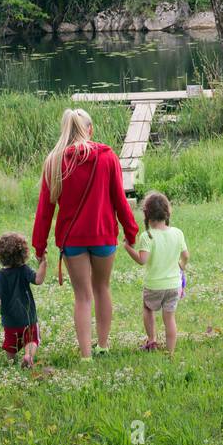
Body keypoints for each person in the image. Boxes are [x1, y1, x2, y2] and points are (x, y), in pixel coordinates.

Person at [32, 107, 139, 361]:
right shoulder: (107, 157)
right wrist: (131, 232)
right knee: (102, 287)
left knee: (82, 296)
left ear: (66, 130)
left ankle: (86, 356)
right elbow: (120, 200)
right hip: (103, 236)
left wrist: (39, 247)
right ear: (90, 129)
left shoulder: (54, 162)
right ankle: (103, 345)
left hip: (73, 240)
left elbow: (44, 211)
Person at [125, 191, 188, 355]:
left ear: (147, 214)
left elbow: (142, 260)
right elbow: (186, 256)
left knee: (147, 308)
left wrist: (128, 248)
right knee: (170, 319)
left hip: (154, 285)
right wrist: (182, 265)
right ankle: (170, 352)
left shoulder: (148, 236)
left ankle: (152, 340)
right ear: (167, 212)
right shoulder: (177, 233)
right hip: (174, 286)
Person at [0, 232, 47, 368]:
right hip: (28, 318)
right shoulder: (24, 270)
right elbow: (38, 279)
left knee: (10, 346)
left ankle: (11, 362)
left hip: (10, 322)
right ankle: (28, 356)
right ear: (23, 254)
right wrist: (43, 263)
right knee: (32, 340)